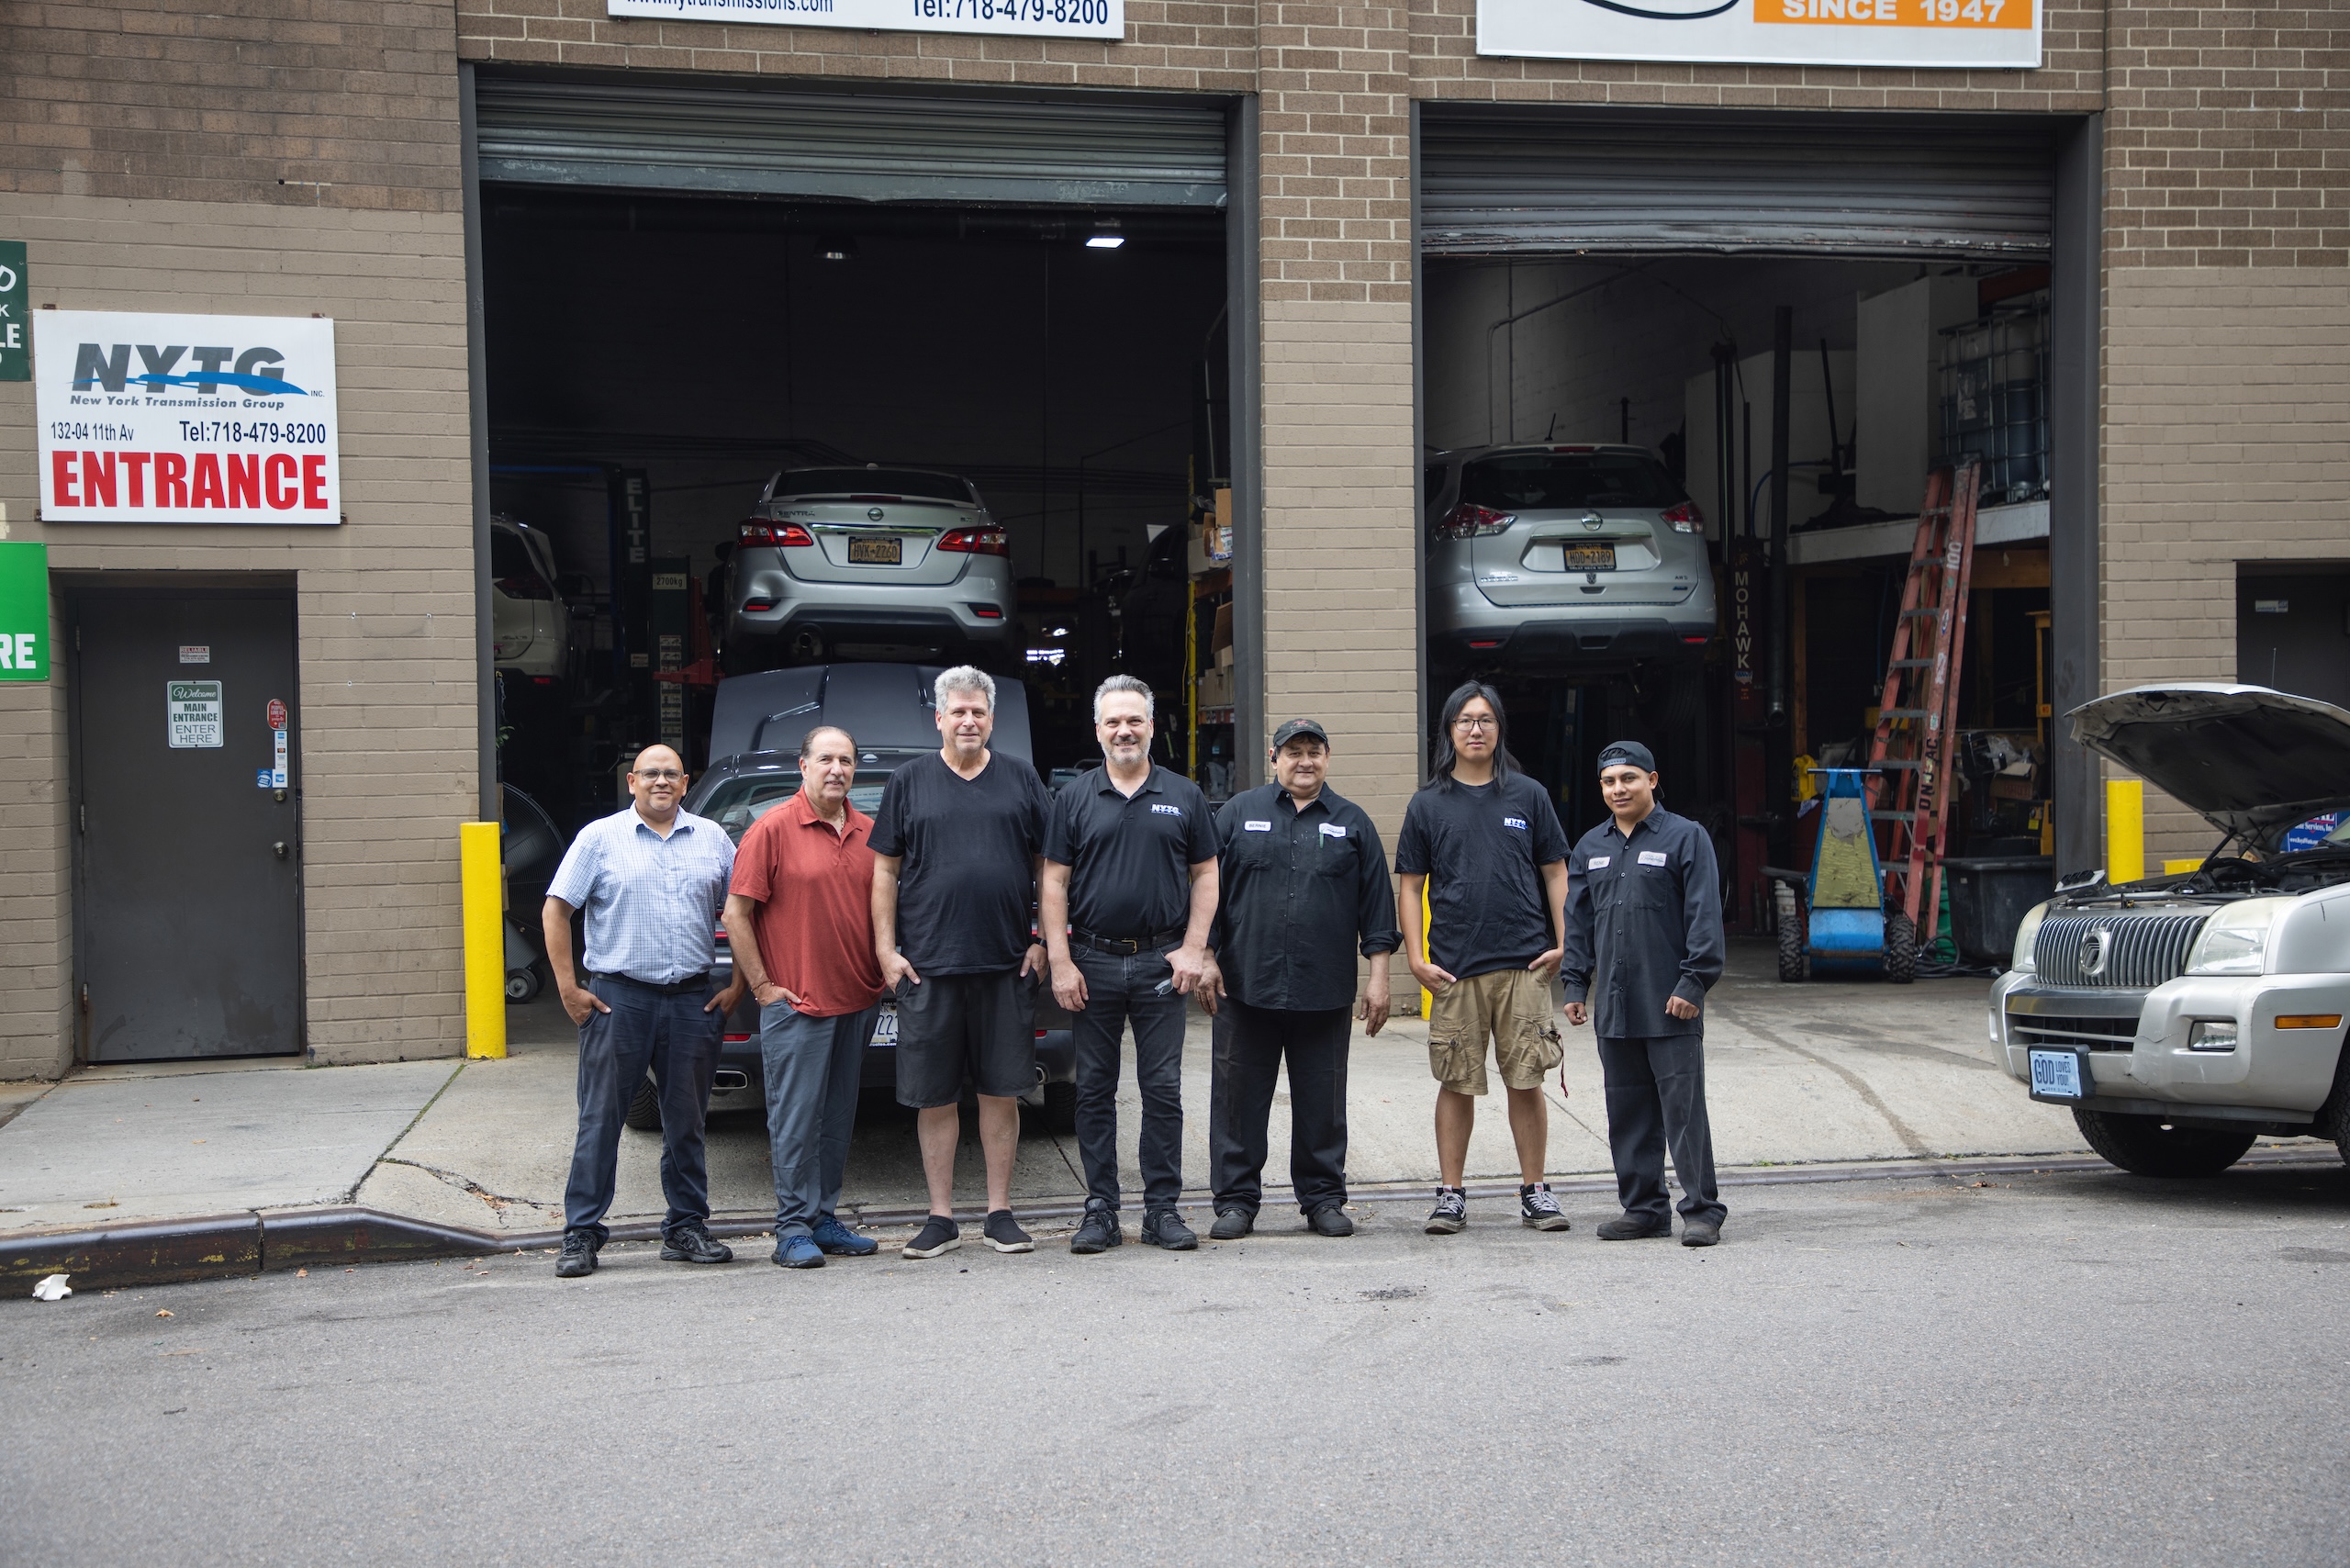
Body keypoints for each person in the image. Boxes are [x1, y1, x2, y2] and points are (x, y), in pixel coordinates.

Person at [870, 666, 1054, 1260]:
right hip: (929, 967)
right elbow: (885, 871)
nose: (969, 720)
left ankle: (1000, 1213)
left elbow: (1048, 867)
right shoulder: (909, 781)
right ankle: (941, 1217)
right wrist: (885, 949)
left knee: (1002, 1093)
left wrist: (1044, 940)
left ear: (991, 719)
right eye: (959, 711)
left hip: (1006, 966)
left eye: (979, 711)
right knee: (935, 1096)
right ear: (940, 719)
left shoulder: (1022, 780)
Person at [543, 744, 745, 1279]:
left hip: (692, 1000)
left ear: (685, 783)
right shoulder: (599, 839)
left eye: (671, 775)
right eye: (650, 774)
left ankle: (686, 1227)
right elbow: (556, 909)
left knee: (687, 1121)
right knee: (600, 1119)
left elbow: (744, 913)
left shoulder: (713, 841)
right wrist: (568, 988)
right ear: (631, 781)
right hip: (619, 1000)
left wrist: (741, 982)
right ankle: (581, 1233)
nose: (661, 782)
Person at [1201, 717, 1401, 1240]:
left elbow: (1378, 909)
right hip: (1246, 987)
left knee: (1322, 1100)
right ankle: (1236, 1202)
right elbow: (1206, 896)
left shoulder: (1353, 823)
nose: (1304, 761)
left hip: (1324, 989)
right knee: (1237, 1097)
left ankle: (1323, 1199)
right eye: (1294, 752)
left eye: (1314, 751)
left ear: (1327, 759)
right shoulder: (1238, 814)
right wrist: (1205, 954)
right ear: (1274, 758)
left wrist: (1378, 980)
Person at [1042, 675, 1219, 1255]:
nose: (1124, 730)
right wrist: (1062, 961)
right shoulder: (1071, 799)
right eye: (1113, 721)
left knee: (1162, 1089)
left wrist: (1195, 948)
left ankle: (1163, 1209)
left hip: (1161, 965)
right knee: (1093, 1090)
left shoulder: (1184, 794)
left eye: (1134, 720)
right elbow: (1054, 883)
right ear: (1098, 730)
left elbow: (1206, 875)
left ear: (1150, 727)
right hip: (1091, 961)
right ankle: (1100, 1209)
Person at [1395, 682, 1574, 1237]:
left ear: (1499, 729)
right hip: (1454, 967)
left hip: (1524, 964)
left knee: (1527, 1081)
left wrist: (1567, 943)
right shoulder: (1428, 803)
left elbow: (1556, 873)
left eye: (1486, 719)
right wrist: (1415, 959)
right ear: (1449, 732)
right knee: (1456, 1082)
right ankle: (1451, 1195)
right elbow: (1408, 886)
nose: (1476, 729)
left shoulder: (1528, 796)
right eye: (1465, 720)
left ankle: (1536, 1192)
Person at [722, 725, 886, 1271]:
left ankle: (823, 1218)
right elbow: (736, 915)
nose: (836, 769)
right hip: (798, 1005)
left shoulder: (869, 832)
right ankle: (791, 1226)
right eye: (825, 759)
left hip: (857, 1002)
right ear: (803, 766)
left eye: (846, 760)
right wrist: (764, 987)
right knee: (795, 1120)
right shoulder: (771, 829)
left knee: (838, 1118)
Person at [1561, 740, 1729, 1247]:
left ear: (1652, 781)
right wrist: (1574, 981)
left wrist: (1693, 982)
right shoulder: (1591, 847)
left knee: (1683, 1112)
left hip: (1671, 1002)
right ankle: (1643, 1208)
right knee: (1628, 1112)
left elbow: (1704, 915)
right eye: (1609, 782)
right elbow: (1578, 921)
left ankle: (1701, 1210)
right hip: (1615, 1006)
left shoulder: (1686, 838)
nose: (1618, 789)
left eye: (1628, 779)